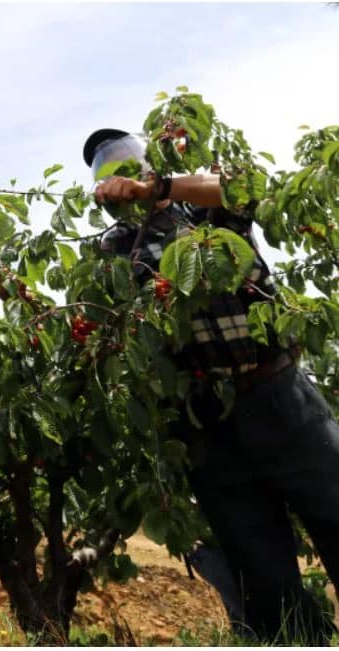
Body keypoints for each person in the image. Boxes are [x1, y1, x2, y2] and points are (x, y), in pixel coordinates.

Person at [84, 128, 339, 644]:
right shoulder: (114, 252)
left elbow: (242, 190)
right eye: (105, 170)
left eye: (124, 162)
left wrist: (158, 188)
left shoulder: (200, 209)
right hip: (208, 427)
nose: (118, 174)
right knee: (264, 582)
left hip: (280, 398)